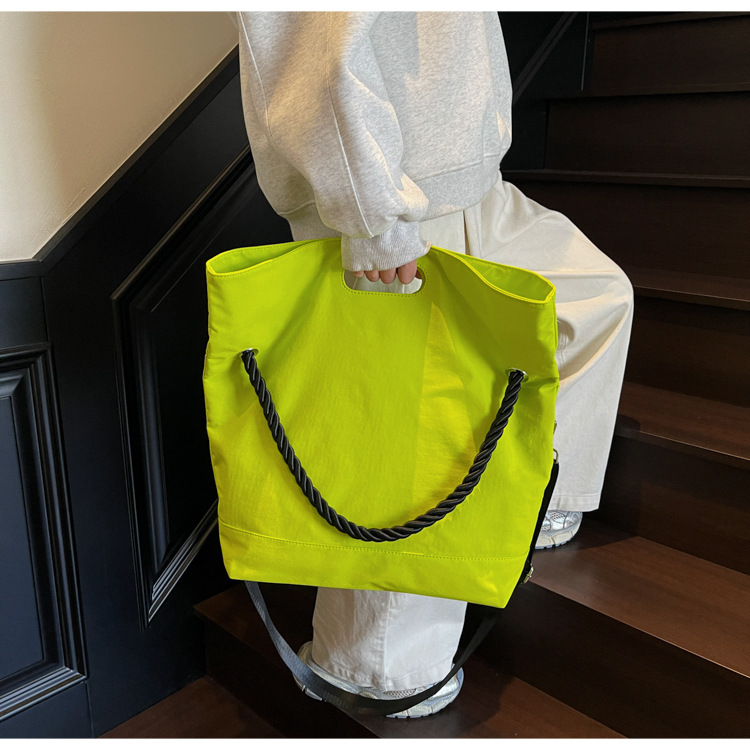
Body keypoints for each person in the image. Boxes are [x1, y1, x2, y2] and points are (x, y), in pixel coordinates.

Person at [235, 11, 633, 718]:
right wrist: (374, 219)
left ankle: (530, 501)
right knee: (406, 438)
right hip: (395, 198)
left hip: (471, 179)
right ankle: (375, 671)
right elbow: (313, 38)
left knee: (593, 297)